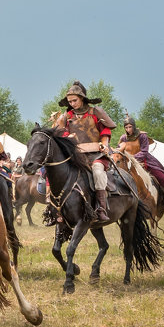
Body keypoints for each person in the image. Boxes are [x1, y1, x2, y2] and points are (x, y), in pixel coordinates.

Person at [52, 81, 116, 222]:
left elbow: (105, 131)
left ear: (82, 98)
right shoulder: (67, 116)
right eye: (70, 101)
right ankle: (56, 209)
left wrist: (104, 144)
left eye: (75, 100)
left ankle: (101, 208)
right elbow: (60, 133)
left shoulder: (95, 113)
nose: (72, 103)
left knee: (98, 173)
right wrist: (67, 137)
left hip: (96, 154)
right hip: (75, 155)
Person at [119, 114, 164, 212]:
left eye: (130, 127)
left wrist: (133, 159)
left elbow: (144, 151)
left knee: (162, 177)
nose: (128, 129)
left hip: (144, 161)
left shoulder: (142, 136)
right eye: (126, 127)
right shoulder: (123, 138)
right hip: (129, 164)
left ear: (134, 126)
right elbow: (120, 151)